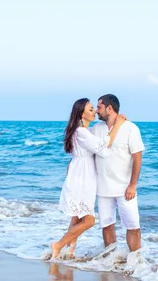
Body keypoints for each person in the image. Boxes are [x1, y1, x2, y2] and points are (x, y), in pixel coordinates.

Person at [50, 98, 126, 259]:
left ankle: (69, 251)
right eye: (91, 109)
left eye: (95, 109)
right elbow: (103, 148)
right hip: (82, 179)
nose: (95, 112)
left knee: (77, 218)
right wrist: (118, 125)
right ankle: (58, 245)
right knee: (89, 220)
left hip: (80, 175)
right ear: (81, 114)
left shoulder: (82, 131)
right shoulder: (82, 132)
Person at [92, 94, 144, 252]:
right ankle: (110, 260)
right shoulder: (95, 129)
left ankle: (135, 262)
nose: (96, 111)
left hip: (124, 188)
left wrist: (133, 185)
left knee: (133, 225)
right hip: (102, 188)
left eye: (99, 107)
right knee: (106, 225)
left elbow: (137, 158)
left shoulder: (130, 128)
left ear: (109, 108)